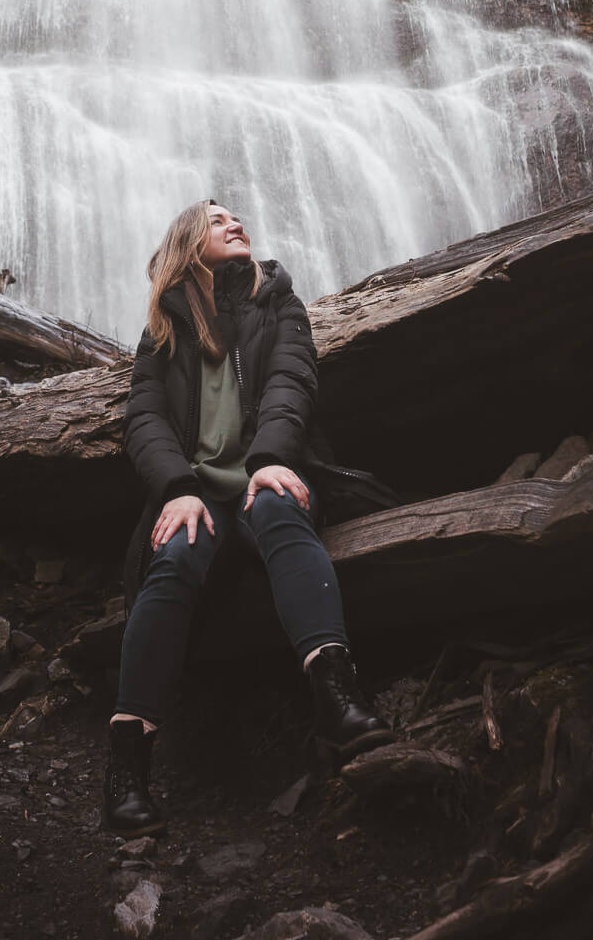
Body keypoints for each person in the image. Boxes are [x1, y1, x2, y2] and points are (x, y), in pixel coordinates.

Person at [103, 198, 391, 837]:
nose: (235, 223)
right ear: (187, 242)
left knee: (282, 512)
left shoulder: (279, 302)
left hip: (267, 470)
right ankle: (127, 768)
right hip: (195, 491)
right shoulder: (163, 327)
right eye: (216, 220)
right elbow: (143, 417)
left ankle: (338, 700)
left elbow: (294, 382)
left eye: (236, 217)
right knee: (173, 558)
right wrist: (177, 488)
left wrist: (269, 459)